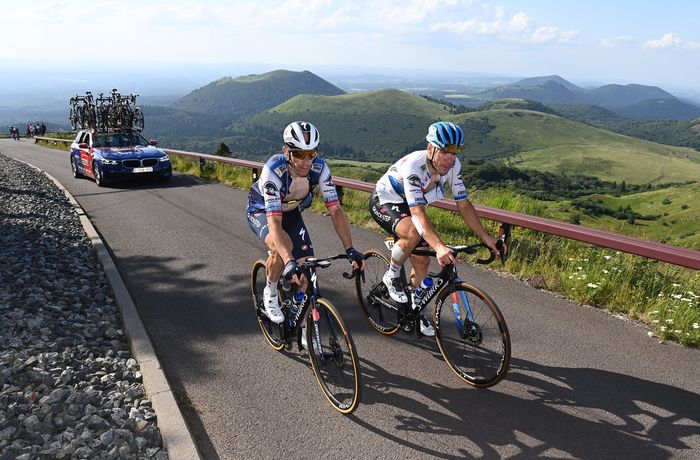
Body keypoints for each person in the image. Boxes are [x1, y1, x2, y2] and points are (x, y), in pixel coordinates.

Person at [369, 121, 503, 336]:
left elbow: (464, 204)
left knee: (422, 260)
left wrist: (486, 237)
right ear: (430, 149)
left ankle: (413, 306)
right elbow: (417, 214)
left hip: (412, 205)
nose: (451, 159)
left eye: (455, 152)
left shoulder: (453, 166)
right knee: (412, 233)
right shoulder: (414, 166)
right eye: (445, 152)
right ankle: (392, 275)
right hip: (386, 200)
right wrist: (440, 246)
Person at [246, 121, 364, 325]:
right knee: (283, 251)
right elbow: (274, 222)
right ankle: (271, 292)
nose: (306, 161)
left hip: (291, 213)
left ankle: (303, 329)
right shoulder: (274, 170)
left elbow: (335, 209)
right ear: (286, 152)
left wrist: (350, 248)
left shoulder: (320, 168)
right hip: (263, 211)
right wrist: (289, 259)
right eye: (299, 154)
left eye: (311, 154)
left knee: (308, 269)